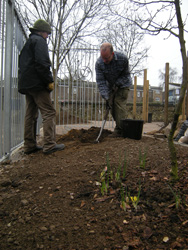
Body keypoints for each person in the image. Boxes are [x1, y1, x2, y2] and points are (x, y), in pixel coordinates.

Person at [18, 19, 65, 155]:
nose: (48, 36)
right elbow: (42, 63)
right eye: (47, 33)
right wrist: (48, 81)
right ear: (42, 32)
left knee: (30, 114)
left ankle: (29, 145)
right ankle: (49, 144)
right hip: (38, 84)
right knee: (49, 112)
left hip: (27, 84)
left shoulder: (29, 43)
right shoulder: (39, 42)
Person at [95, 42, 132, 137]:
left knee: (118, 103)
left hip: (123, 84)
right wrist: (106, 96)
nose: (104, 60)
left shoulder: (122, 59)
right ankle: (120, 126)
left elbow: (126, 75)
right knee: (111, 107)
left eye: (106, 58)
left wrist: (118, 83)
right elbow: (100, 81)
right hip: (110, 86)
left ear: (112, 53)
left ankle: (121, 130)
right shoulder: (99, 63)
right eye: (102, 58)